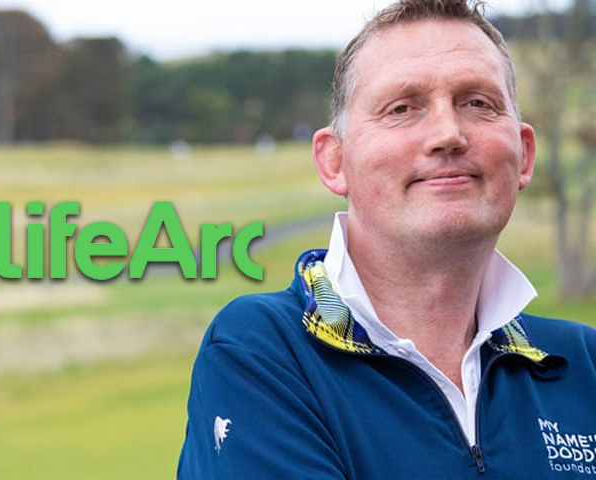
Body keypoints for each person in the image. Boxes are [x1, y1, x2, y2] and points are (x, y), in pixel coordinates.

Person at [178, 1, 596, 478]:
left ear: (523, 155)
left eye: (478, 103)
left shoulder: (583, 364)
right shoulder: (262, 353)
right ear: (334, 161)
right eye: (402, 108)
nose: (448, 134)